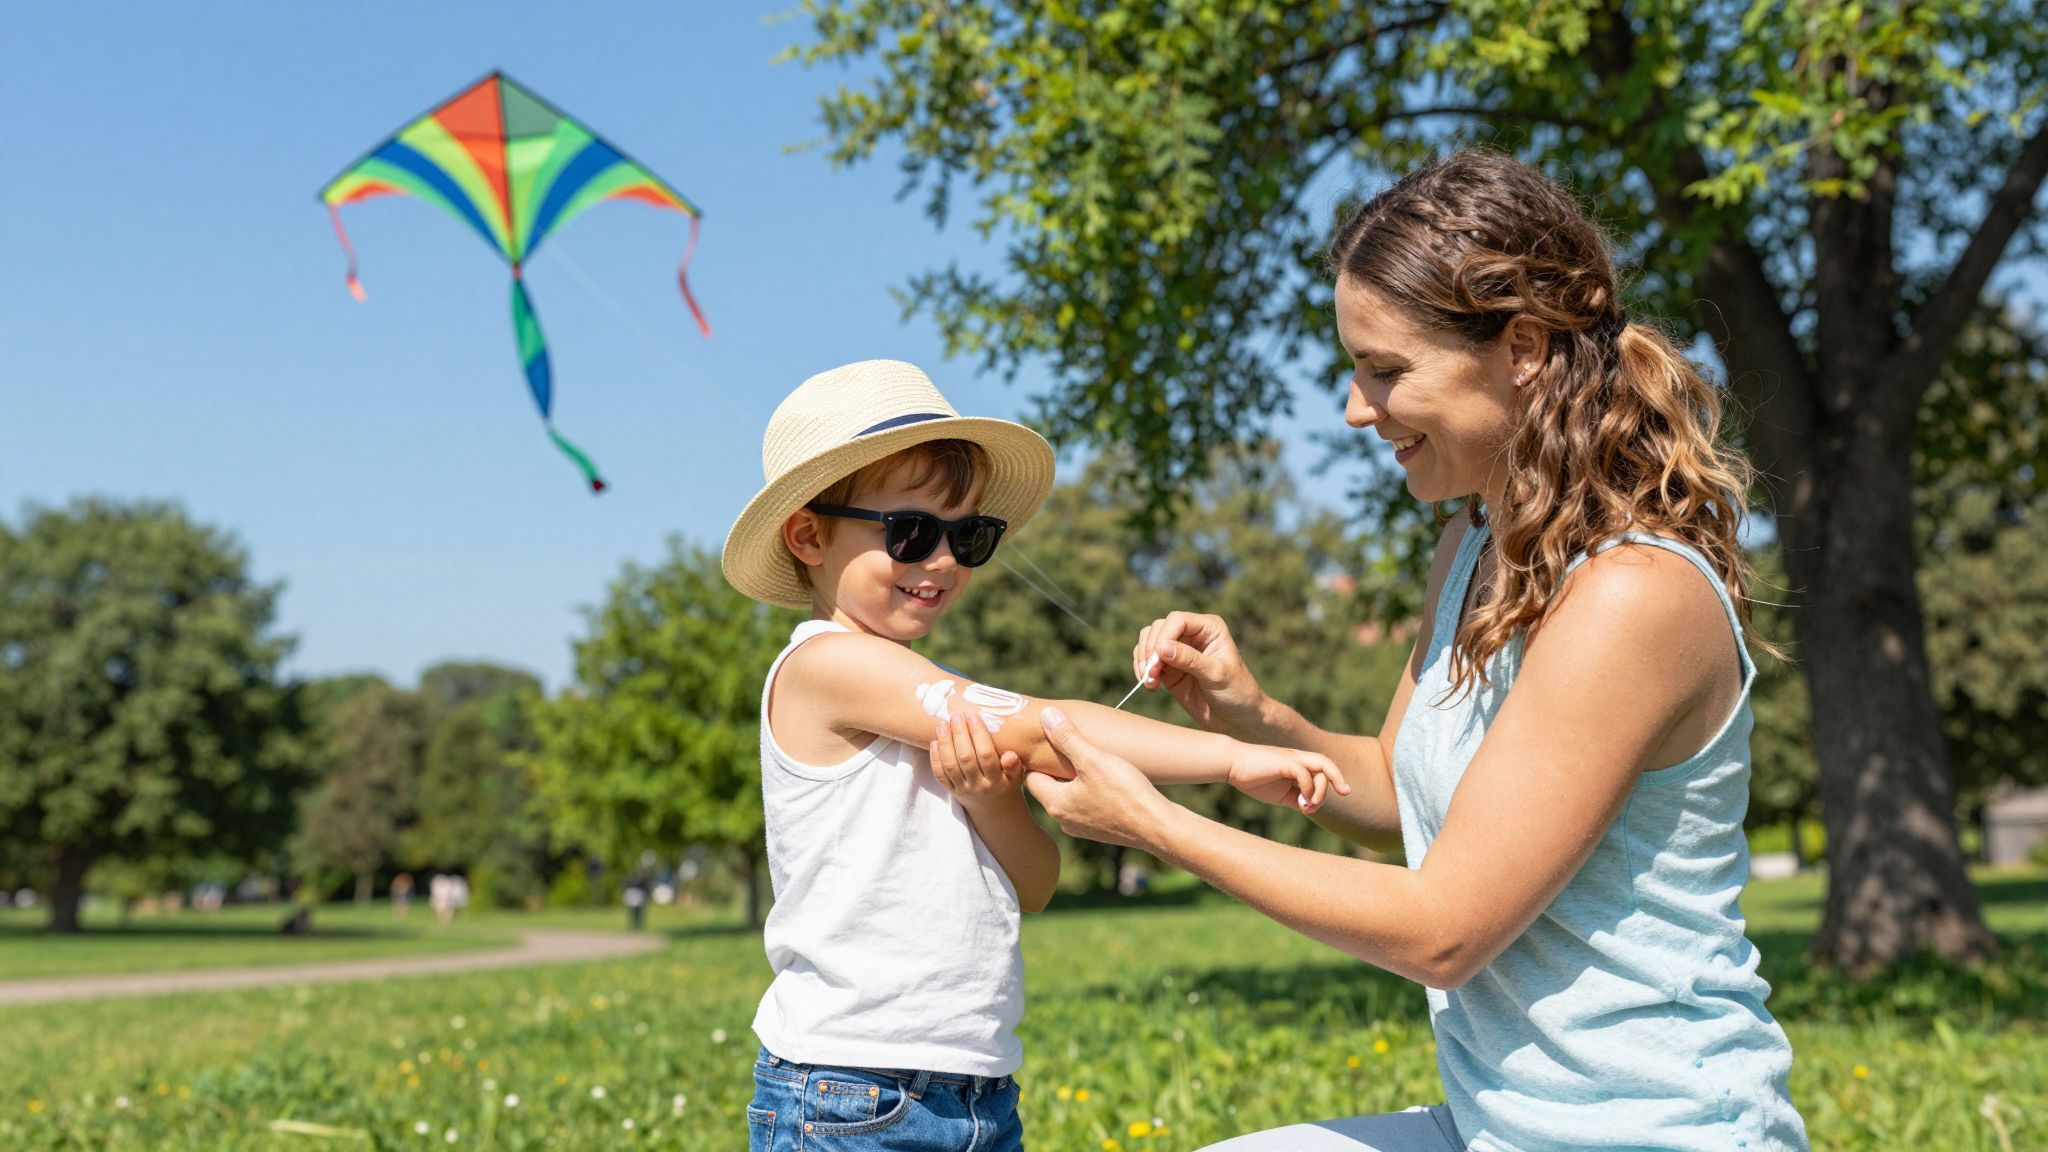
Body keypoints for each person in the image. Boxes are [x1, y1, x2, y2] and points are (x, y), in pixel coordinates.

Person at [1014, 150, 1811, 1151]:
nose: (1354, 407)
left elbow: (1444, 928)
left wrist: (1159, 828)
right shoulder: (1470, 547)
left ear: (1520, 348)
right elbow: (1397, 794)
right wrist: (1249, 714)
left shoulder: (1631, 596)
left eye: (1384, 370)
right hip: (1492, 1128)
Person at [719, 359, 1349, 1152]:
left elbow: (1037, 883)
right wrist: (1226, 757)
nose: (942, 560)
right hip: (848, 1090)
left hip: (975, 1091)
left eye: (969, 536)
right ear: (809, 535)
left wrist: (989, 801)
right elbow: (1045, 724)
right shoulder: (823, 667)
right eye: (910, 532)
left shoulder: (936, 709)